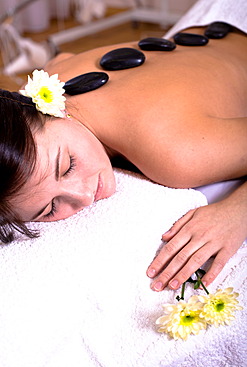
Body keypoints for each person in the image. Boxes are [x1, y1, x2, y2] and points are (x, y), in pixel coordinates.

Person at [0, 0, 246, 294]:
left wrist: (236, 212)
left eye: (68, 166)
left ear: (54, 112)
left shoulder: (175, 155)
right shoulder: (55, 76)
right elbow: (60, 57)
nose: (84, 195)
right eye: (50, 208)